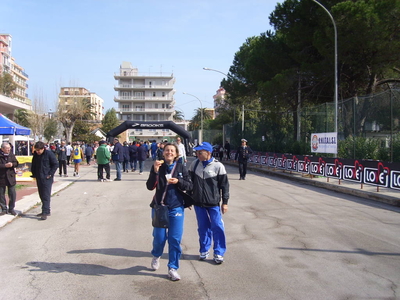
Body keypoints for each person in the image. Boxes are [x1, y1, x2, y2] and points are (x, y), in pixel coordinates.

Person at [146, 143, 193, 281]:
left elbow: (189, 185)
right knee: (159, 238)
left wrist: (178, 181)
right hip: (160, 208)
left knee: (174, 239)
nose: (169, 152)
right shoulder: (158, 167)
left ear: (176, 153)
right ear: (163, 152)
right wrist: (154, 171)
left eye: (172, 150)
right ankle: (156, 255)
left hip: (176, 207)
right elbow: (150, 186)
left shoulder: (181, 167)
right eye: (167, 150)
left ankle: (173, 268)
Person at [189, 142, 229, 264]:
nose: (198, 155)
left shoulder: (218, 166)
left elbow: (224, 186)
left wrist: (225, 202)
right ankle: (204, 250)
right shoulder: (194, 165)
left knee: (217, 226)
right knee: (202, 228)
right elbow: (190, 184)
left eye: (200, 152)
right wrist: (189, 198)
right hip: (198, 203)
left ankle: (218, 252)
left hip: (213, 203)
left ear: (208, 153)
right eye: (197, 152)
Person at [31, 141, 58, 220]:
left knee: (46, 195)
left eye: (39, 150)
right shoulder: (36, 155)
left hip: (47, 178)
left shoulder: (49, 154)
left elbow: (55, 164)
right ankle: (47, 210)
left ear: (43, 149)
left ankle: (45, 212)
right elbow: (34, 164)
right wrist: (33, 173)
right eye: (37, 150)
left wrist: (50, 174)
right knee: (41, 194)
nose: (38, 152)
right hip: (39, 177)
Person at [0, 142, 19, 216]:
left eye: (9, 148)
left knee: (12, 194)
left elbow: (16, 163)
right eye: (7, 148)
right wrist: (5, 165)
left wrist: (12, 164)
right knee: (1, 194)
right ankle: (4, 209)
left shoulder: (11, 154)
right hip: (1, 177)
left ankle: (11, 209)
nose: (8, 150)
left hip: (10, 177)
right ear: (2, 149)